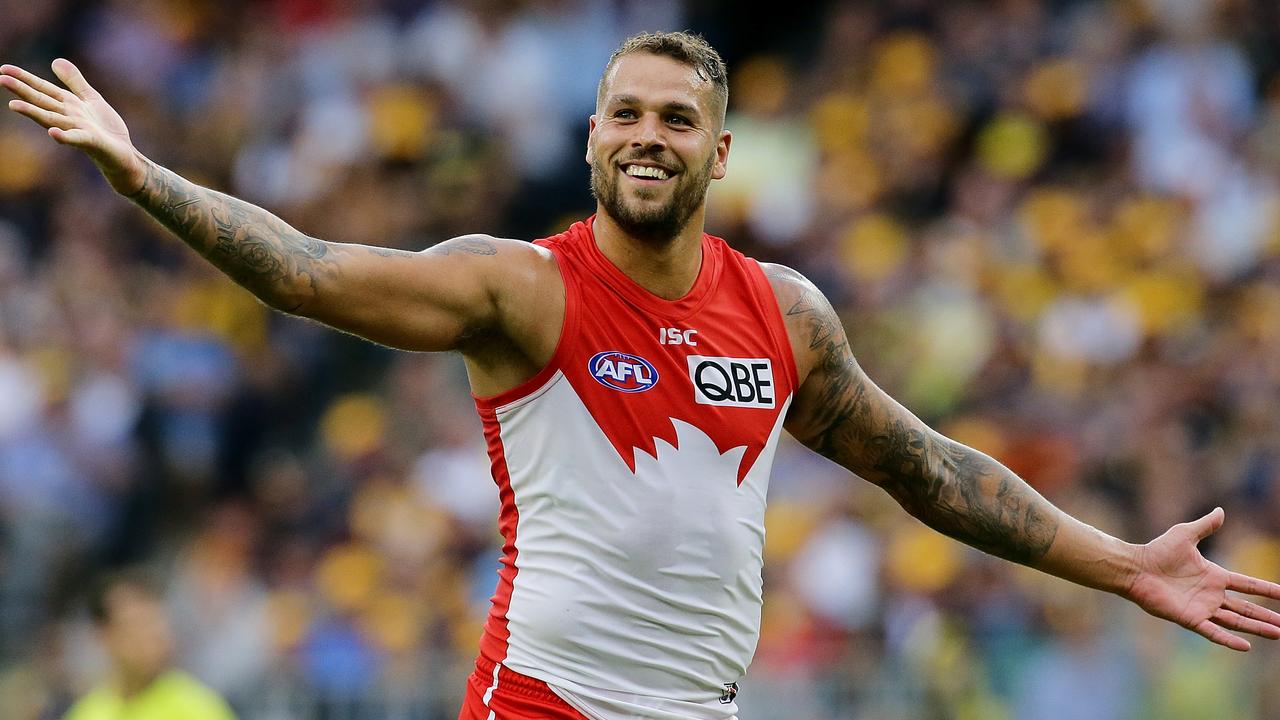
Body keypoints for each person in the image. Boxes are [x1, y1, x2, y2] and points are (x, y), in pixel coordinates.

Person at [5, 30, 1280, 720]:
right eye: (625, 114)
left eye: (675, 120)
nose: (646, 138)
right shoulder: (520, 286)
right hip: (542, 705)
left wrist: (1121, 564)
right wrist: (141, 173)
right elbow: (306, 269)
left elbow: (930, 472)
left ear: (719, 150)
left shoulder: (783, 312)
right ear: (590, 138)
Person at [63, 569, 236, 720]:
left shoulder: (198, 706)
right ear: (103, 636)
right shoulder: (87, 713)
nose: (148, 639)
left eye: (153, 624)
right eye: (134, 626)